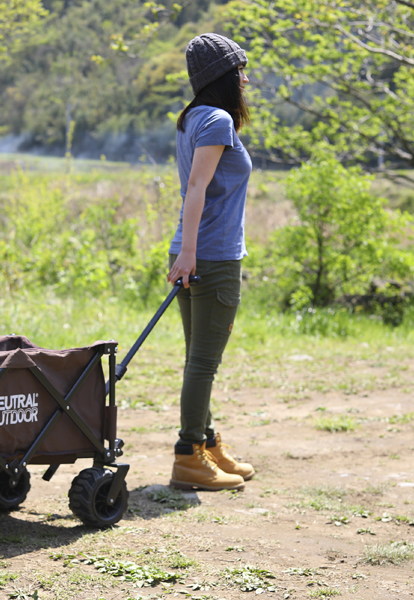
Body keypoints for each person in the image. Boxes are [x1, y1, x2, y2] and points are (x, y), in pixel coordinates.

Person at [167, 33, 256, 492]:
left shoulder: (193, 118)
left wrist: (184, 251)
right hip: (212, 256)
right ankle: (188, 457)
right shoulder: (218, 120)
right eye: (239, 69)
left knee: (197, 359)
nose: (245, 77)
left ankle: (206, 443)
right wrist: (191, 254)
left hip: (194, 251)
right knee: (203, 361)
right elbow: (197, 189)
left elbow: (197, 188)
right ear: (222, 76)